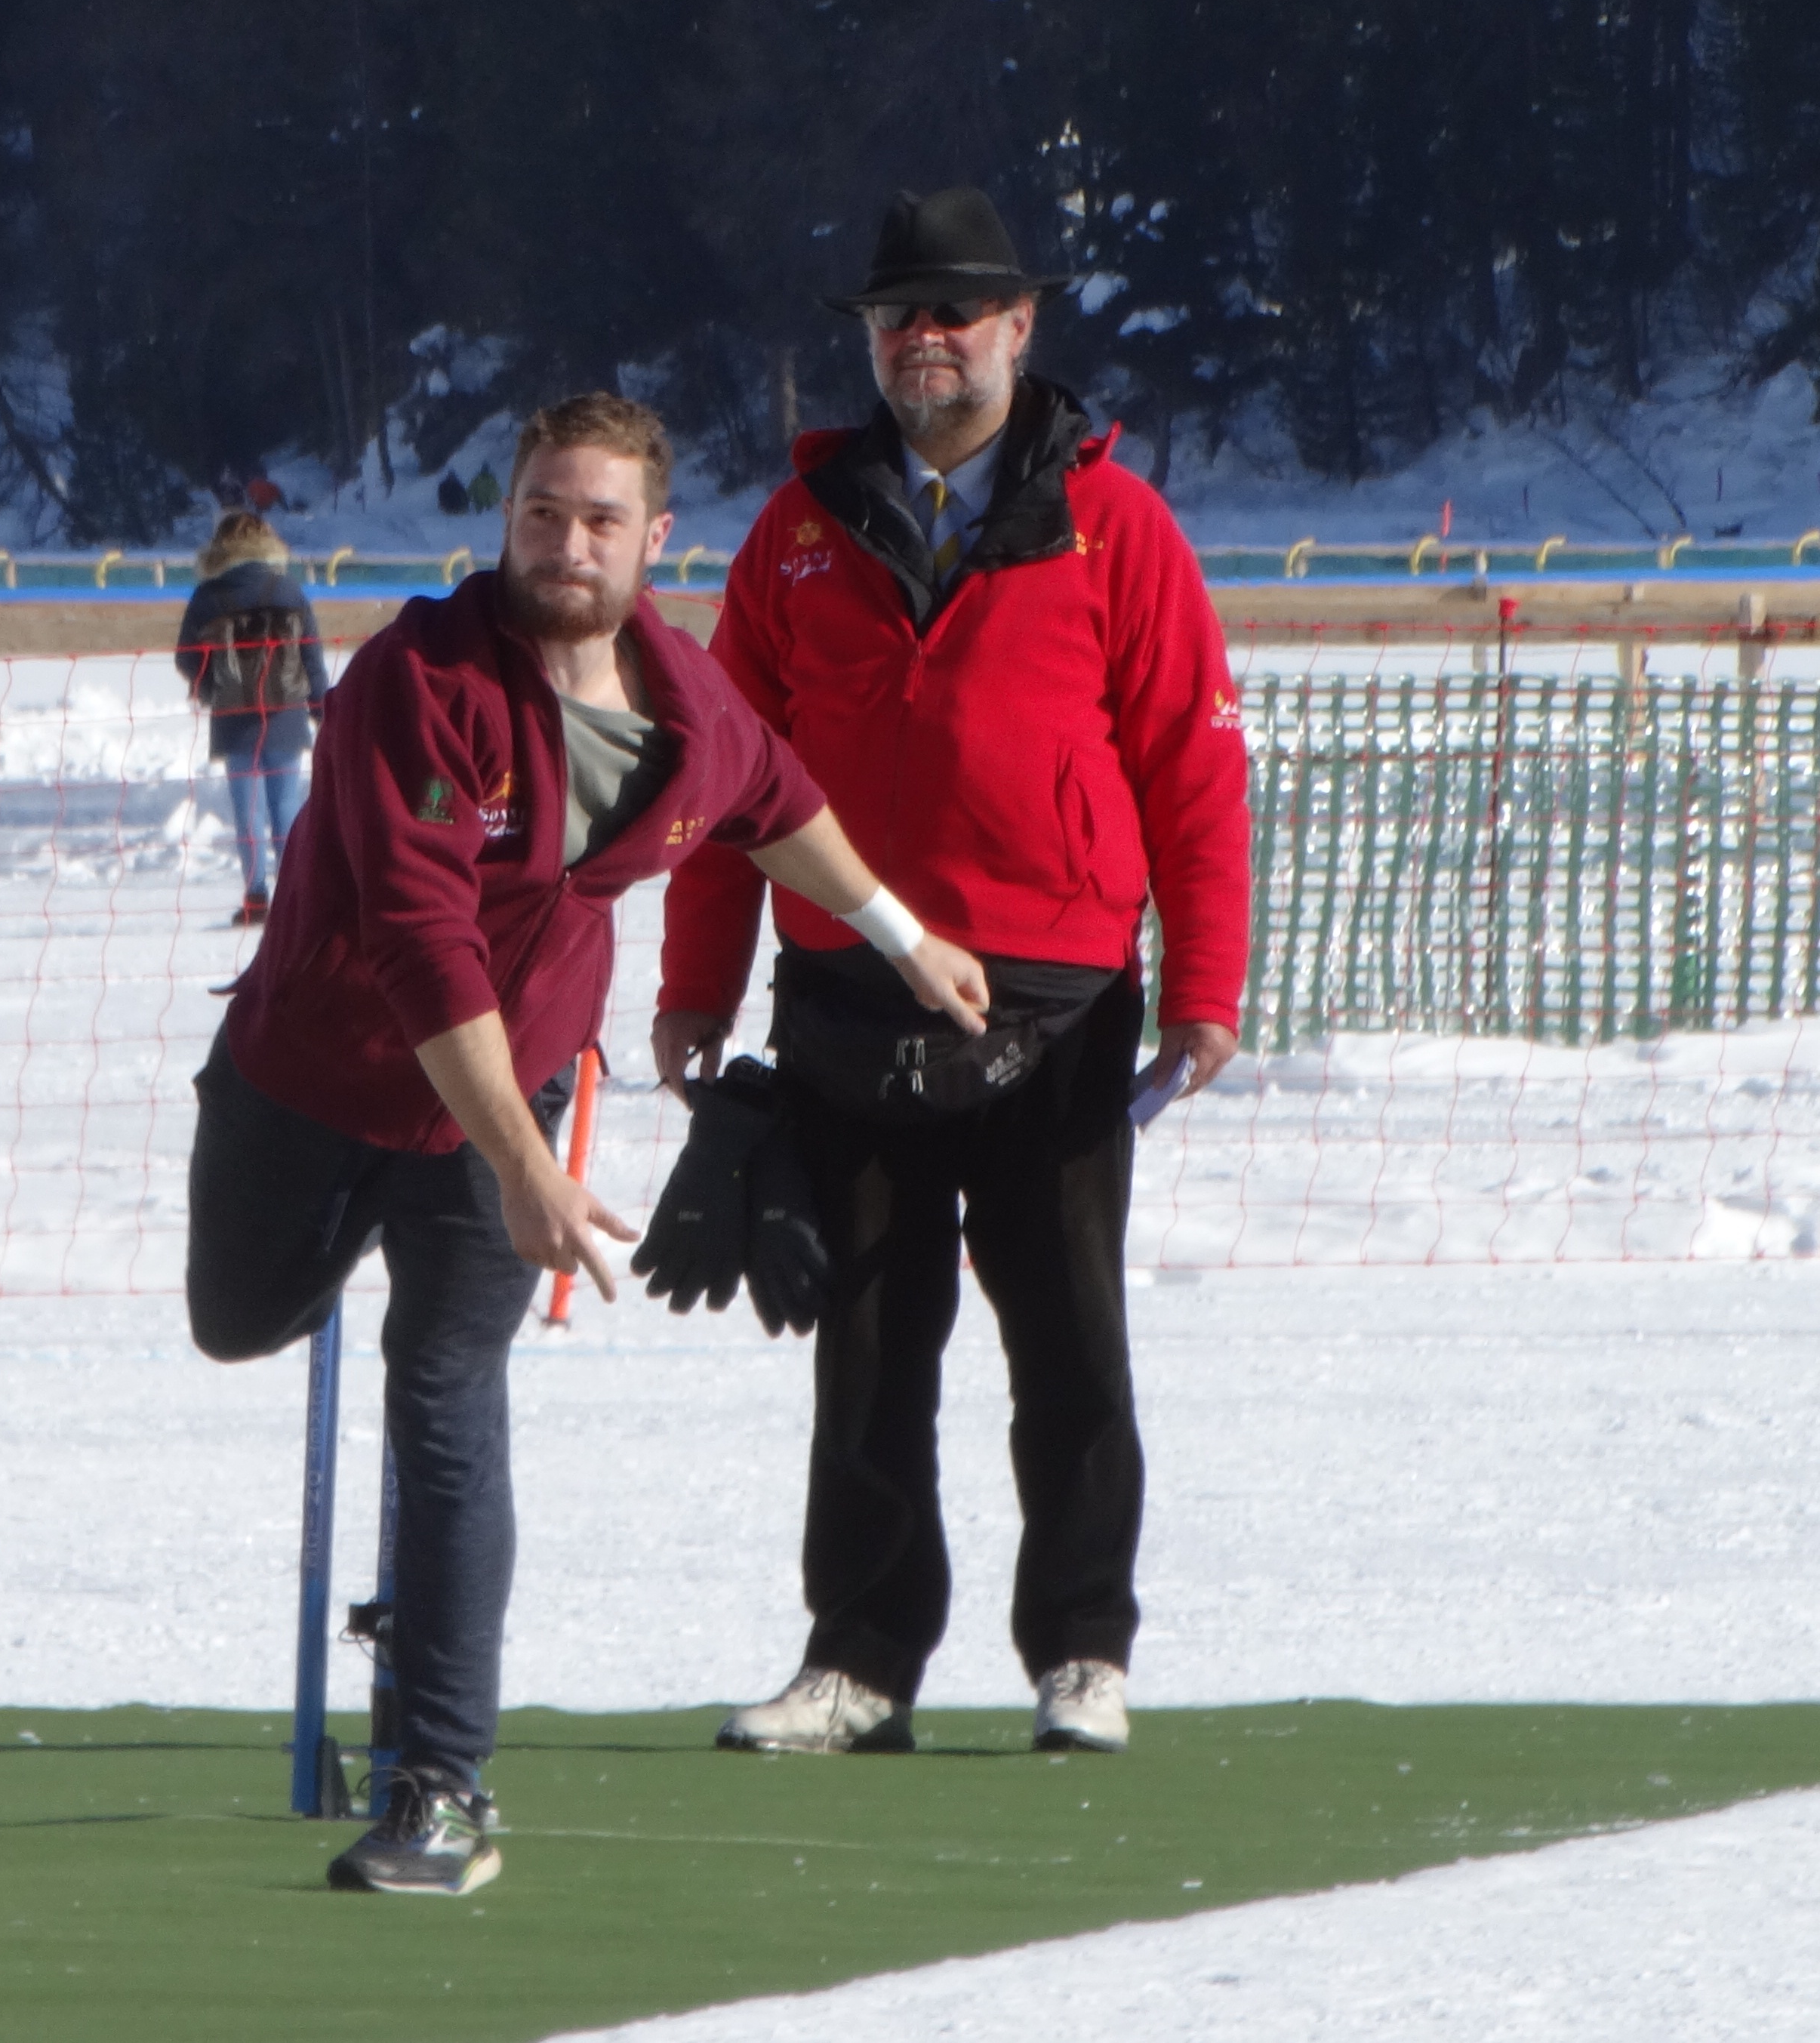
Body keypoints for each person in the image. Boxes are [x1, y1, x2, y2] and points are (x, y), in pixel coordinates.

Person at [186, 392, 990, 1896]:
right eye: (543, 511)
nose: (567, 543)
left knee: (444, 1391)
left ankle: (439, 1781)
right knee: (240, 1318)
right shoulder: (414, 684)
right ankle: (415, 1615)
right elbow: (426, 945)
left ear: (654, 537)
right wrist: (523, 1163)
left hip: (511, 1092)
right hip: (311, 1071)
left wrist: (902, 932)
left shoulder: (685, 700)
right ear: (506, 514)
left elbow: (778, 800)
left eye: (600, 518)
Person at [662, 186, 1251, 1761]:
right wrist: (697, 983)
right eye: (894, 316)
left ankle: (1082, 1648)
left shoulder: (1115, 524)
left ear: (1018, 326)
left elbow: (1192, 762)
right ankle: (858, 1660)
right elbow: (729, 784)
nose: (922, 341)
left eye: (953, 313)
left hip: (1058, 1001)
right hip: (849, 997)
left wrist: (1207, 980)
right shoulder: (794, 535)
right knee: (866, 1342)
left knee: (1066, 1335)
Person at [175, 511, 331, 923]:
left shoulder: (207, 596)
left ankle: (256, 895)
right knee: (286, 806)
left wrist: (211, 689)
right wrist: (321, 710)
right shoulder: (290, 590)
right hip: (287, 714)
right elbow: (311, 658)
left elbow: (186, 657)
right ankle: (296, 895)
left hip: (234, 715)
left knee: (247, 810)